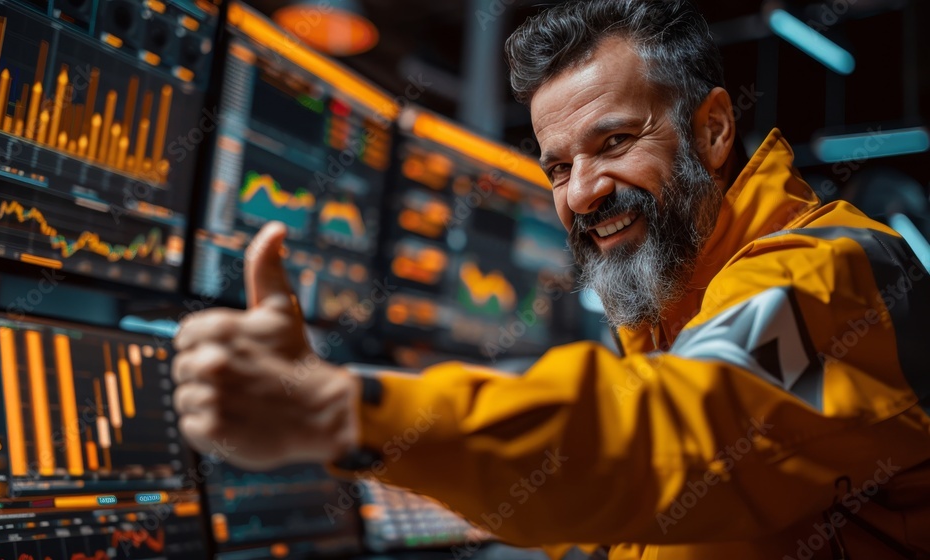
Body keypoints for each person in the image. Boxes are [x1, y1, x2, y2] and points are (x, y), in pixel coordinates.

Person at [171, 0, 930, 558]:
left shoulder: (824, 280)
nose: (584, 192)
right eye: (559, 167)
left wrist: (345, 410)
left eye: (614, 142)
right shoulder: (672, 303)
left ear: (713, 129)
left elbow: (670, 438)